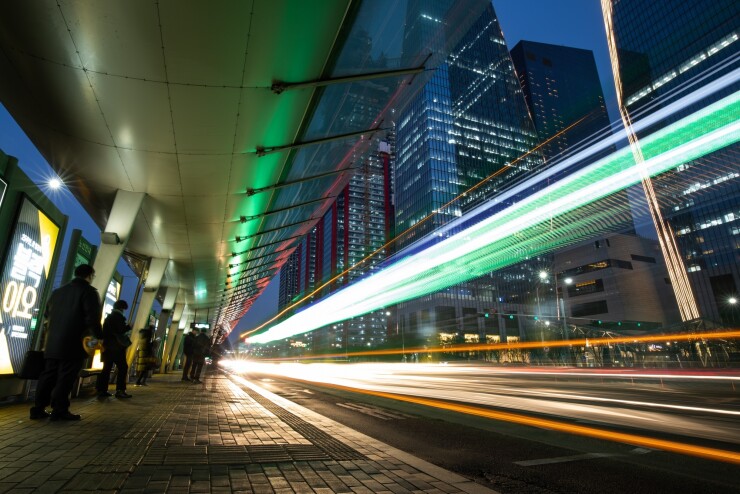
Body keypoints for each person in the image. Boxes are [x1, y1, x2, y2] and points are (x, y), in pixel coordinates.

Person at [30, 264, 102, 421]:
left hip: (52, 343)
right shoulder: (89, 292)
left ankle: (38, 409)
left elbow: (47, 314)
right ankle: (59, 410)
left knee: (48, 375)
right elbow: (92, 318)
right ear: (90, 276)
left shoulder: (58, 292)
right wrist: (99, 337)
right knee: (66, 377)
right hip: (73, 343)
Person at [96, 300, 132, 399]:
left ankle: (102, 390)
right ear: (122, 308)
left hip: (106, 347)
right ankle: (120, 390)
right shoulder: (118, 317)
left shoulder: (108, 317)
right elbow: (120, 330)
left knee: (106, 369)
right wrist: (128, 327)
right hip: (116, 348)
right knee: (123, 367)